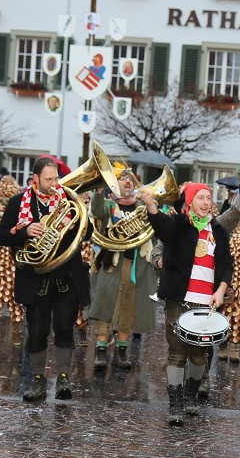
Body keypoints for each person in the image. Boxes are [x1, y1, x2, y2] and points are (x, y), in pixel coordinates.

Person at [0, 157, 91, 402]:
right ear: (35, 179)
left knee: (63, 328)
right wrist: (25, 230)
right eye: (49, 179)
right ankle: (37, 380)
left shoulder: (69, 200)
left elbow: (88, 232)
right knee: (37, 331)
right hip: (35, 278)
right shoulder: (19, 202)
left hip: (65, 277)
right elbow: (2, 235)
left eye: (56, 178)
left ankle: (63, 378)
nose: (54, 183)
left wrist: (75, 223)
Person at [142, 183, 232, 425]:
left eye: (208, 198)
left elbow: (226, 266)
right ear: (190, 202)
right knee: (176, 352)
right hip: (179, 300)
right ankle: (176, 404)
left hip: (206, 304)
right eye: (200, 197)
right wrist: (151, 205)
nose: (205, 202)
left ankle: (191, 393)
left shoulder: (218, 231)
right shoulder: (180, 225)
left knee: (199, 355)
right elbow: (162, 226)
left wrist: (221, 290)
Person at [87, 167, 158, 372]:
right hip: (112, 264)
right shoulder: (109, 207)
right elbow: (96, 209)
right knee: (106, 307)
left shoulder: (142, 209)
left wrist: (152, 204)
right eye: (122, 179)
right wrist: (99, 191)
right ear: (113, 185)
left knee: (129, 308)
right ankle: (100, 351)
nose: (128, 182)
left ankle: (121, 351)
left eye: (130, 180)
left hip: (135, 265)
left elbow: (154, 233)